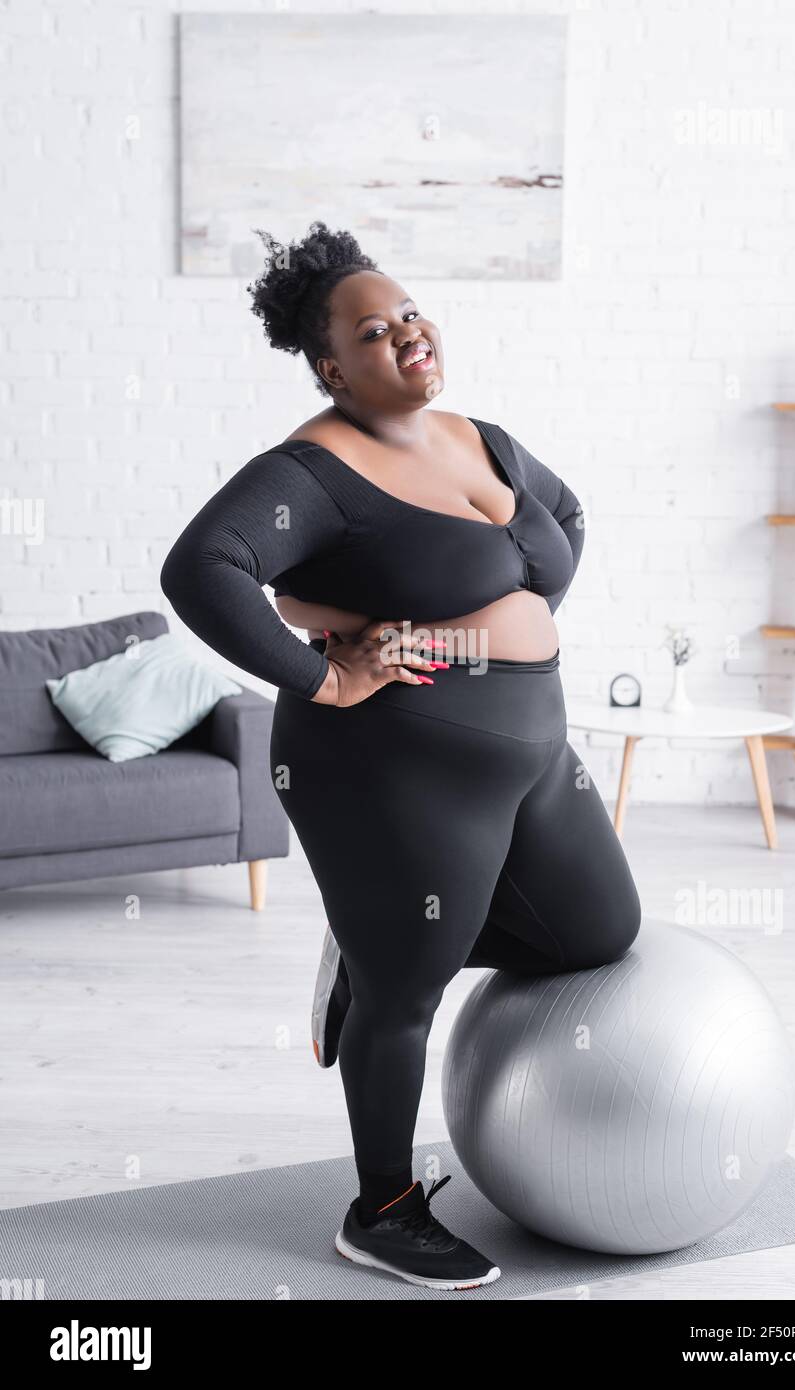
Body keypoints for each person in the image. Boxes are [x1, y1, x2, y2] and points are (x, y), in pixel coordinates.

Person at [160, 221, 642, 1291]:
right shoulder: (316, 468)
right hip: (392, 757)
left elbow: (563, 516)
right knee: (409, 992)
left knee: (600, 930)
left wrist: (519, 609)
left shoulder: (483, 439)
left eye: (411, 313)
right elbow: (205, 567)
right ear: (333, 366)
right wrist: (326, 673)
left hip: (527, 746)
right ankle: (379, 1207)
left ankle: (367, 949)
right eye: (374, 332)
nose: (407, 334)